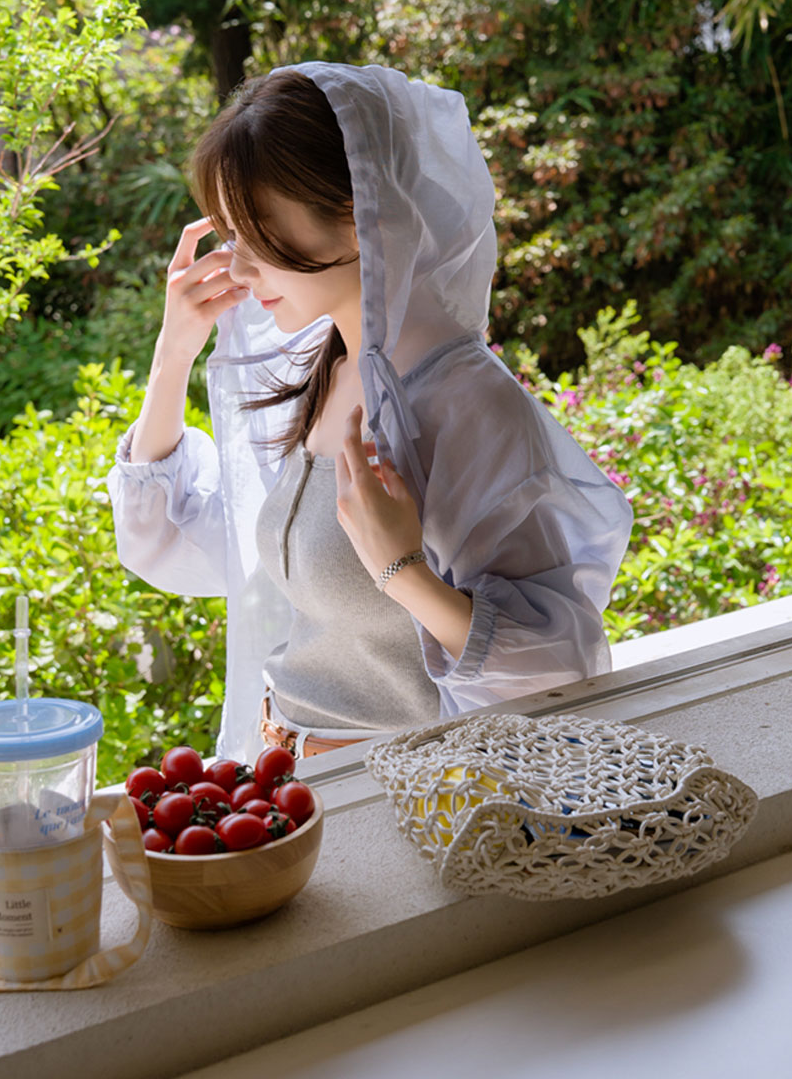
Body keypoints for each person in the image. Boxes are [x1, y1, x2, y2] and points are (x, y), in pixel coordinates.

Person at [108, 62, 633, 762]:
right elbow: (198, 546)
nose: (236, 271)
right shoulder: (317, 365)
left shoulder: (465, 404)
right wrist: (173, 357)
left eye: (258, 237)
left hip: (404, 799)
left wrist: (404, 574)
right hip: (287, 785)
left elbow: (561, 667)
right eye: (229, 238)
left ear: (359, 217)